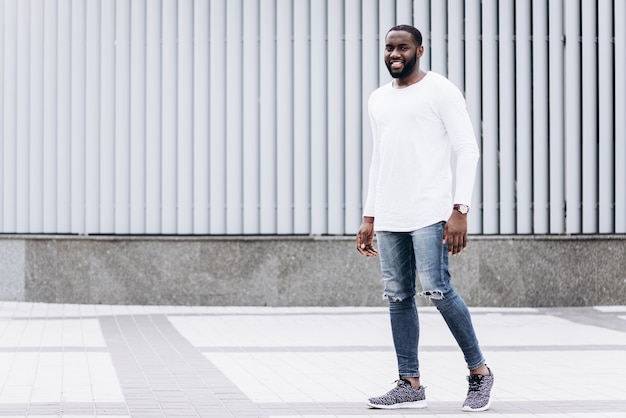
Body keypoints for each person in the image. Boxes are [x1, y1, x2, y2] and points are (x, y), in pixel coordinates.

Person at [356, 25, 493, 412]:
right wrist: (369, 215)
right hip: (390, 213)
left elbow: (468, 149)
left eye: (402, 47)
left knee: (438, 290)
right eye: (389, 48)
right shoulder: (378, 99)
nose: (394, 54)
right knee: (397, 296)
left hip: (430, 210)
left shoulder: (440, 90)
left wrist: (459, 209)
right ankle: (409, 383)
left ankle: (479, 373)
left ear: (420, 50)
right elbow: (379, 159)